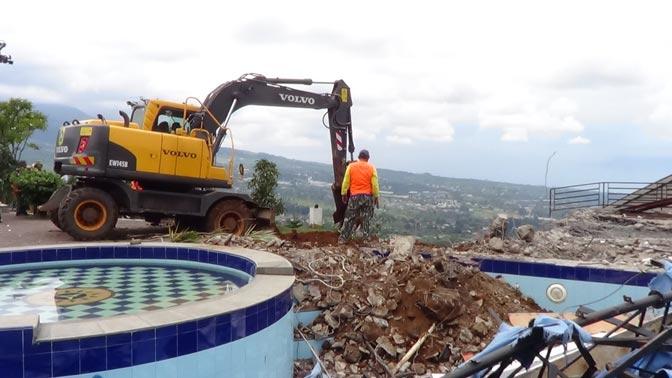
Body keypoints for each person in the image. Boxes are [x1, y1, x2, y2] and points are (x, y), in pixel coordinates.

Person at [338, 149, 380, 243]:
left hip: (354, 197)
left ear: (358, 157)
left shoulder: (351, 166)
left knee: (349, 218)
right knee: (367, 219)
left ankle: (343, 239)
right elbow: (375, 184)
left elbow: (346, 181)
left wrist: (343, 193)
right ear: (368, 158)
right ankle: (365, 240)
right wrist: (376, 196)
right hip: (367, 197)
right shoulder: (371, 167)